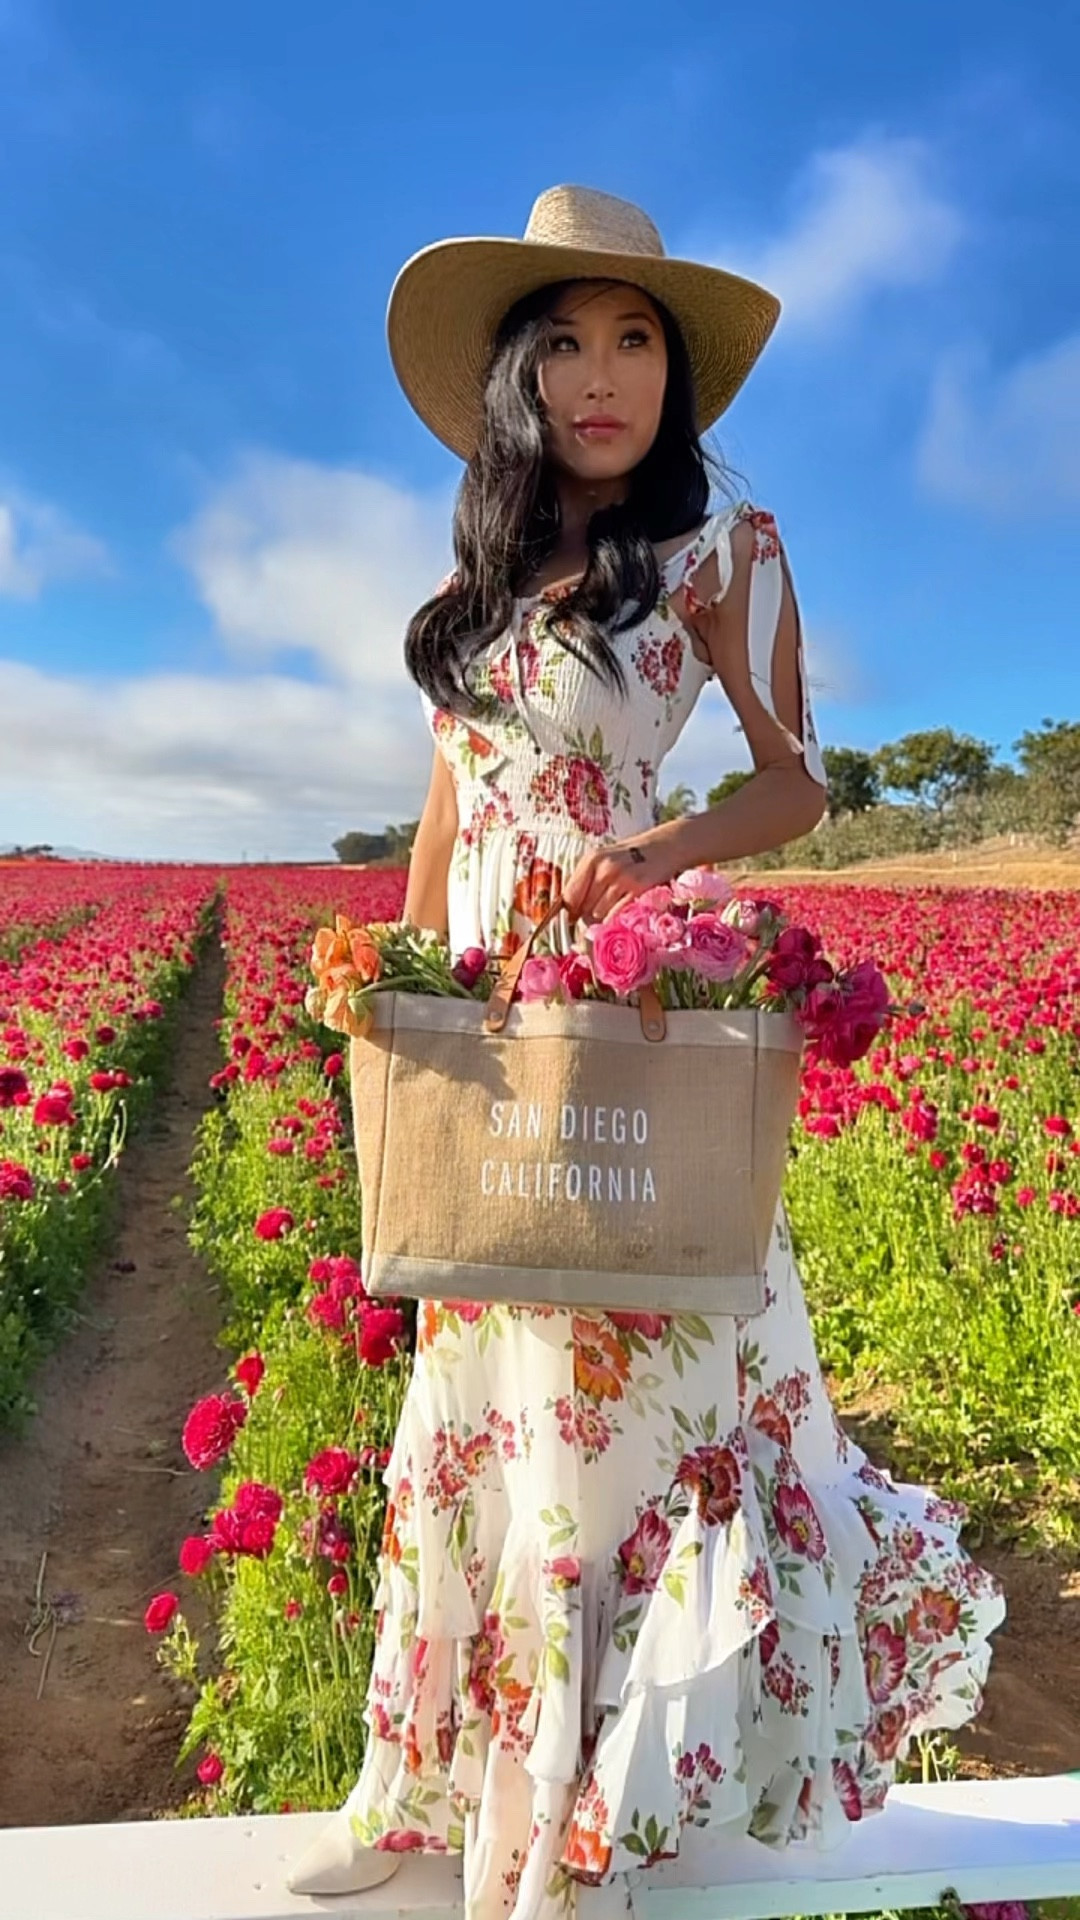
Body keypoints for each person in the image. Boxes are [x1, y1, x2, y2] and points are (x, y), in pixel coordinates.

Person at [287, 185, 1006, 1917]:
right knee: (480, 1407)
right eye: (569, 342)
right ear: (520, 378)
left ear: (673, 378)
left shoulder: (721, 553)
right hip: (481, 1020)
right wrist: (395, 988)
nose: (605, 376)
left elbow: (796, 778)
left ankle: (585, 1829)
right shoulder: (478, 580)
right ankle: (430, 1789)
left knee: (621, 1405)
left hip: (617, 996)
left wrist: (662, 856)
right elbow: (449, 810)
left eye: (638, 343)